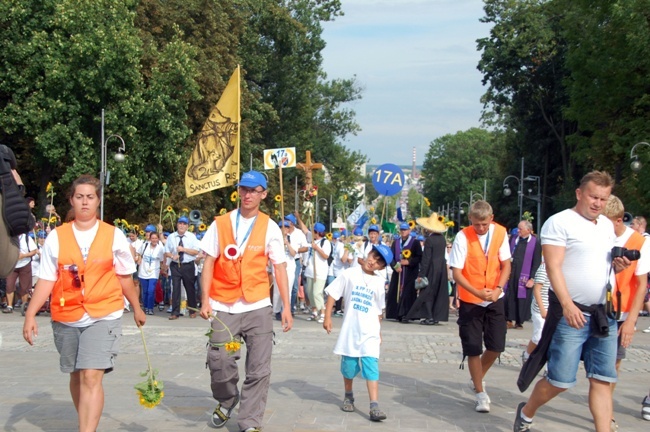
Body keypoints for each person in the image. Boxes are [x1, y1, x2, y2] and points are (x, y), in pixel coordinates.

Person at [22, 174, 145, 432]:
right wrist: (30, 314)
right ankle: (86, 422)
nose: (85, 202)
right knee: (76, 376)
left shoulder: (114, 235)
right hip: (67, 314)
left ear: (98, 201)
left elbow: (125, 276)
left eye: (90, 197)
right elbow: (46, 278)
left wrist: (136, 307)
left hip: (104, 313)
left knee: (91, 375)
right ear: (71, 200)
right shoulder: (57, 236)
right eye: (80, 197)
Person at [513, 171, 629, 432]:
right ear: (579, 193)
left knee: (602, 378)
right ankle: (527, 412)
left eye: (603, 198)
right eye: (593, 196)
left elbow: (603, 267)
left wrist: (618, 268)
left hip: (603, 314)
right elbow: (553, 267)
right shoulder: (560, 222)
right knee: (561, 380)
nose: (598, 203)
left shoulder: (607, 226)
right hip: (571, 314)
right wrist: (567, 305)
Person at [199, 170, 292, 432]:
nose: (248, 194)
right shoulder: (221, 223)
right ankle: (228, 400)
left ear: (263, 194)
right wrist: (205, 300)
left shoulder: (270, 227)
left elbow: (280, 267)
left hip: (258, 306)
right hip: (223, 306)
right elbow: (208, 261)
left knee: (259, 369)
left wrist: (285, 306)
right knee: (221, 361)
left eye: (254, 190)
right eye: (244, 189)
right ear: (238, 191)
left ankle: (250, 422)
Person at [449, 201, 511, 413]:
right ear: (470, 221)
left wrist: (498, 288)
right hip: (470, 298)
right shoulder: (462, 237)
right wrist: (476, 292)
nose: (481, 228)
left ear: (491, 218)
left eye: (484, 224)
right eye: (476, 224)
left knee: (496, 345)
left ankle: (477, 377)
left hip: (495, 296)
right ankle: (480, 392)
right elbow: (456, 272)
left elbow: (506, 265)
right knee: (473, 347)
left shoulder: (501, 233)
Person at [322, 244, 394, 422]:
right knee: (349, 367)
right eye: (373, 257)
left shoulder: (378, 282)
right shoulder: (349, 274)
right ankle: (348, 394)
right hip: (350, 331)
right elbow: (333, 293)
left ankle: (374, 405)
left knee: (371, 367)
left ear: (382, 268)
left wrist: (379, 332)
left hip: (369, 332)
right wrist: (327, 317)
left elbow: (378, 310)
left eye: (378, 262)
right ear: (368, 253)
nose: (373, 262)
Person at [601, 195, 650, 427]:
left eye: (606, 221)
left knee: (614, 364)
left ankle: (606, 410)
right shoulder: (598, 234)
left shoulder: (639, 241)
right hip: (598, 307)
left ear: (619, 220)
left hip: (621, 311)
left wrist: (631, 322)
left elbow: (642, 285)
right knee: (600, 366)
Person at [406, 214, 450, 325]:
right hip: (441, 268)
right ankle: (436, 316)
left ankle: (428, 316)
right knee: (438, 293)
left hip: (432, 268)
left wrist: (421, 274)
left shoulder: (430, 240)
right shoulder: (442, 239)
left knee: (427, 293)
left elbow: (426, 259)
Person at [505, 220, 542, 329]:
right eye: (518, 228)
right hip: (511, 273)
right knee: (509, 295)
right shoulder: (513, 239)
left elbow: (536, 262)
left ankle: (519, 321)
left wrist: (532, 278)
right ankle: (508, 319)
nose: (518, 231)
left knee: (521, 297)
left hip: (524, 274)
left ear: (528, 230)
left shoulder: (535, 242)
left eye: (521, 229)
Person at [165, 216, 200, 320]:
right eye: (180, 223)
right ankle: (175, 312)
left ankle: (192, 310)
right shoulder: (171, 236)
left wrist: (183, 249)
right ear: (177, 225)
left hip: (188, 265)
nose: (181, 225)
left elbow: (196, 251)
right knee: (175, 288)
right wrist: (172, 256)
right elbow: (167, 251)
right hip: (176, 265)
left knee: (190, 288)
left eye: (184, 224)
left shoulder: (191, 237)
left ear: (187, 226)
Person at [386, 222, 422, 322]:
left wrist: (409, 262)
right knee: (396, 292)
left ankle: (406, 314)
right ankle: (396, 313)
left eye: (405, 230)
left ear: (409, 231)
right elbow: (391, 257)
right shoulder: (396, 242)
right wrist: (395, 266)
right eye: (402, 230)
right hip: (398, 271)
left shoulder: (415, 243)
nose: (403, 231)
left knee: (408, 292)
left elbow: (419, 257)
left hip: (410, 273)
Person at [2, 232, 37, 313]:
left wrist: (23, 255)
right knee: (9, 285)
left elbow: (34, 251)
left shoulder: (27, 238)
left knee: (25, 286)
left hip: (25, 264)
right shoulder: (9, 238)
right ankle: (9, 306)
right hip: (12, 265)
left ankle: (24, 305)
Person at [303, 222, 331, 323]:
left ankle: (323, 313)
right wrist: (298, 218)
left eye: (314, 231)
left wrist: (317, 248)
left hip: (320, 272)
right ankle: (314, 311)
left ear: (318, 232)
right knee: (310, 293)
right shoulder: (312, 239)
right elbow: (304, 229)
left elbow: (326, 256)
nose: (312, 233)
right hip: (310, 270)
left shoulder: (325, 242)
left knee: (317, 293)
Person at [522, 262, 549, 363]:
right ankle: (527, 356)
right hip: (540, 309)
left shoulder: (562, 267)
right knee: (538, 337)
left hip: (554, 309)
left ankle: (548, 367)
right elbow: (537, 290)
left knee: (551, 339)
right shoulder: (544, 268)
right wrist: (542, 310)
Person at [136, 231, 165, 315]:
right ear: (150, 238)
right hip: (143, 271)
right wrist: (138, 258)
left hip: (154, 272)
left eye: (156, 238)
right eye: (153, 238)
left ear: (158, 239)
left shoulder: (160, 248)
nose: (154, 240)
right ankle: (145, 307)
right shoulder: (144, 245)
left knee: (151, 290)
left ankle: (150, 308)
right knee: (145, 291)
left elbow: (162, 260)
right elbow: (138, 253)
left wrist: (163, 269)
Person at [272, 219, 296, 320]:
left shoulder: (292, 238)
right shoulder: (275, 239)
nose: (285, 229)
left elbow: (294, 253)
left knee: (288, 289)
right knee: (278, 290)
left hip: (290, 267)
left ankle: (286, 309)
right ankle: (276, 310)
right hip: (278, 266)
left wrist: (287, 244)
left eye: (287, 227)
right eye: (283, 227)